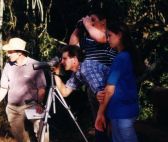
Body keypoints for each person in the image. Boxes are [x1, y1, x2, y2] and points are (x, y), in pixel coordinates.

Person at [0, 37, 49, 142]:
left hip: (33, 105)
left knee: (43, 132)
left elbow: (41, 89)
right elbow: (3, 88)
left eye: (10, 52)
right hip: (13, 109)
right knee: (21, 138)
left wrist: (39, 104)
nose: (7, 54)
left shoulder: (35, 65)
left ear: (19, 52)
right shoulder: (8, 66)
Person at [69, 10, 117, 142]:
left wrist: (87, 24)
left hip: (111, 85)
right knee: (99, 122)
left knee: (113, 123)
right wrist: (79, 28)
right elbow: (72, 47)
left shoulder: (109, 34)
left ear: (103, 21)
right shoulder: (87, 38)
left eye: (93, 20)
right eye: (89, 20)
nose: (90, 22)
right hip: (93, 87)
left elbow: (101, 38)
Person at [95, 22, 144, 142]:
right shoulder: (126, 56)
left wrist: (99, 114)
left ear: (120, 35)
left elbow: (110, 89)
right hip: (119, 112)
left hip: (122, 113)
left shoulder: (121, 58)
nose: (107, 39)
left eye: (109, 35)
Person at [53, 45, 110, 141]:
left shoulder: (86, 68)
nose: (62, 62)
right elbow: (65, 92)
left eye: (65, 58)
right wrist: (56, 74)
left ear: (74, 59)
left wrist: (101, 117)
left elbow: (102, 94)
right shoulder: (77, 73)